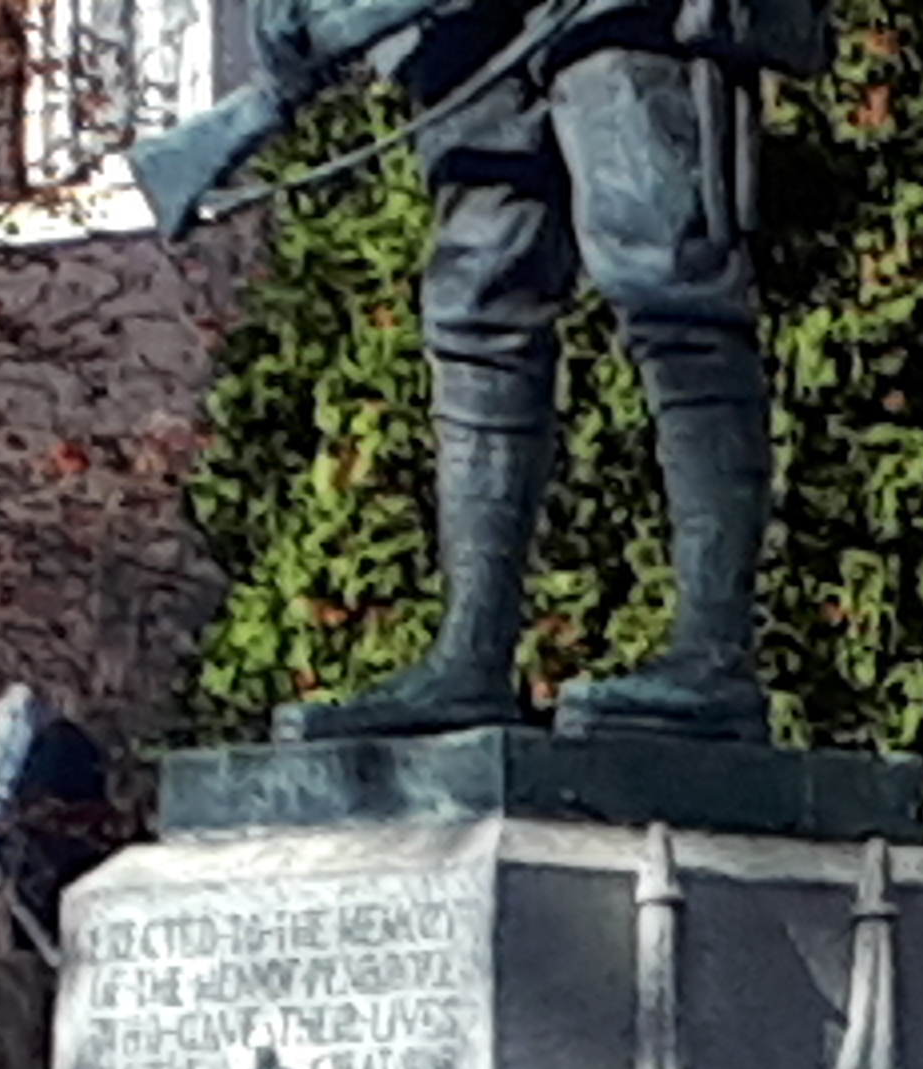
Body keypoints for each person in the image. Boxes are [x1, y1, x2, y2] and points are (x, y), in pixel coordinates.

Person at [261, 0, 832, 743]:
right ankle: (469, 656)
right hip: (462, 27)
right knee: (476, 305)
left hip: (617, 12)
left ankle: (711, 657)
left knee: (671, 288)